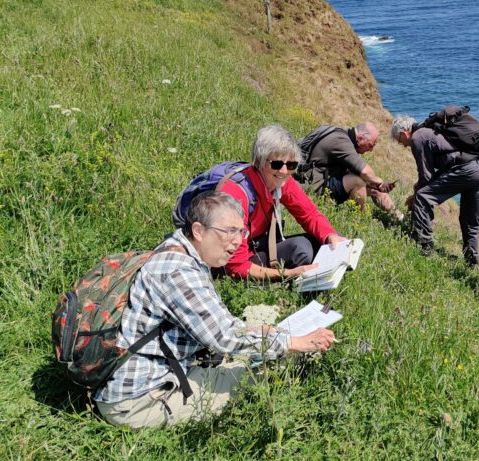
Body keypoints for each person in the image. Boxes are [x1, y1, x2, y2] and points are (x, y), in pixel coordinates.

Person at [94, 190, 336, 428]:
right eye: (229, 231)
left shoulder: (178, 251)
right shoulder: (179, 272)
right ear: (199, 231)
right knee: (267, 371)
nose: (238, 241)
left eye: (241, 231)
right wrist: (295, 342)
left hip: (147, 378)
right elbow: (224, 337)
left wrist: (267, 332)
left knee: (256, 359)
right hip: (140, 401)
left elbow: (218, 325)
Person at [210, 124, 348, 280]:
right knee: (301, 250)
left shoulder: (281, 182)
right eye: (276, 164)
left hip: (255, 246)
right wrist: (286, 274)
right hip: (228, 264)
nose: (284, 171)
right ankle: (294, 288)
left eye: (291, 165)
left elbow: (309, 214)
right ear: (259, 161)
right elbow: (235, 266)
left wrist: (330, 235)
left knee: (335, 244)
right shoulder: (235, 194)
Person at [389, 114, 479, 265]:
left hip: (466, 170)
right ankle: (472, 263)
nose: (403, 145)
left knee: (422, 197)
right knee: (470, 220)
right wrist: (418, 188)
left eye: (400, 141)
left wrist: (415, 196)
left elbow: (426, 177)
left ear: (404, 133)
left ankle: (424, 247)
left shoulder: (418, 137)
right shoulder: (431, 130)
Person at [302, 121, 398, 214]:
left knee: (373, 186)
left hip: (326, 177)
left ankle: (397, 216)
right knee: (358, 182)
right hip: (315, 184)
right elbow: (365, 172)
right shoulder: (341, 141)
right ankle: (360, 219)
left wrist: (377, 185)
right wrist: (380, 182)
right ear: (360, 138)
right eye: (370, 146)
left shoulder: (345, 137)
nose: (371, 150)